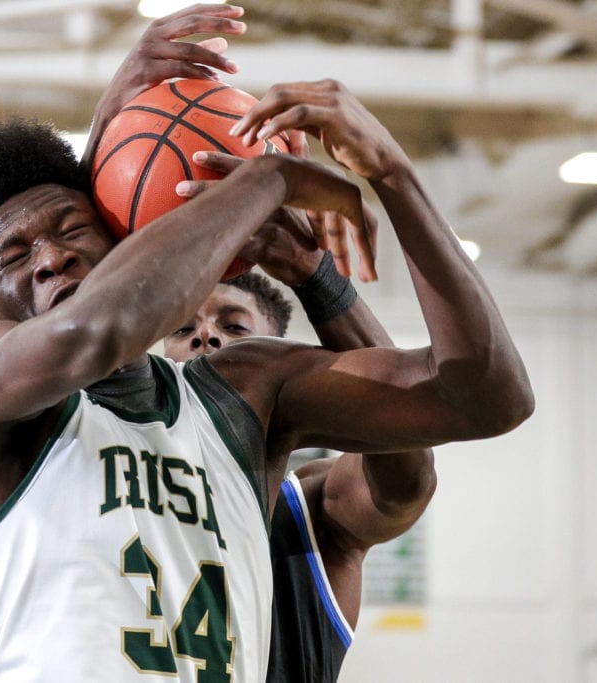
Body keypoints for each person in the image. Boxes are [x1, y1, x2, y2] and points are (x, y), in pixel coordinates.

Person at [0, 8, 533, 683]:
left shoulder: (242, 390)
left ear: (120, 233)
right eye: (15, 255)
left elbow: (485, 396)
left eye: (71, 226)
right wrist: (265, 177)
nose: (50, 259)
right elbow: (94, 330)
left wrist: (393, 174)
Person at [164, 242, 436, 681]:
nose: (206, 335)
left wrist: (320, 282)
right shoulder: (120, 484)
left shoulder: (313, 506)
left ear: (281, 357)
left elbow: (407, 475)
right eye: (181, 328)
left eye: (234, 326)